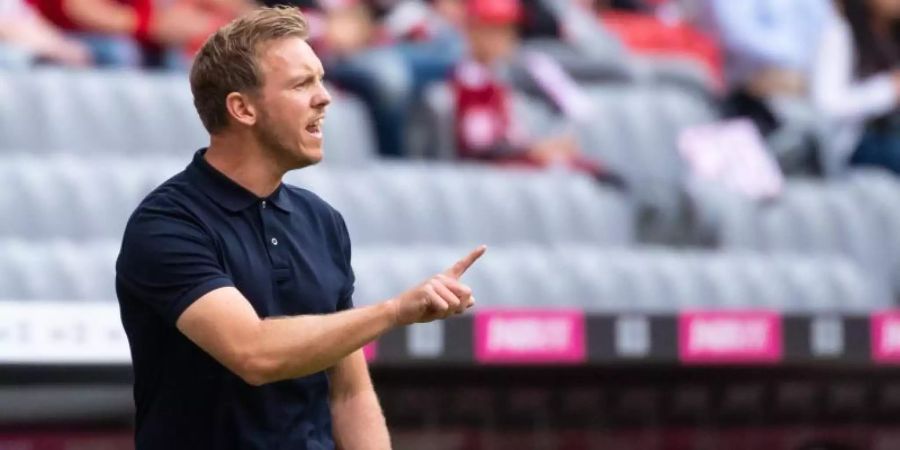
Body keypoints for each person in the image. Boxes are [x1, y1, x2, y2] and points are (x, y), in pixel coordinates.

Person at [115, 6, 486, 449]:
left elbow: (348, 392)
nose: (324, 97)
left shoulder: (321, 220)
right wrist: (393, 311)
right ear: (242, 109)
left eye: (321, 79)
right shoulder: (168, 225)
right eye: (301, 84)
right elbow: (253, 352)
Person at [811, 0, 900, 175]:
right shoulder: (840, 32)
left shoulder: (892, 34)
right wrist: (889, 90)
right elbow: (827, 105)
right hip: (855, 143)